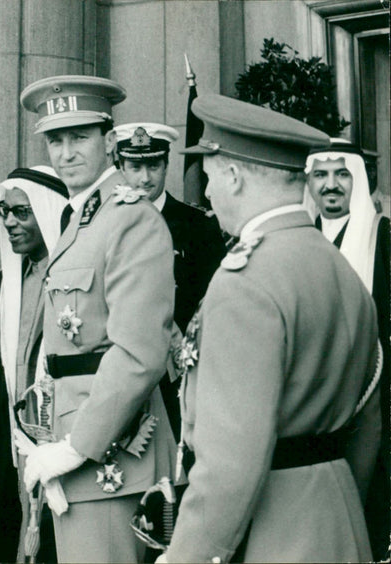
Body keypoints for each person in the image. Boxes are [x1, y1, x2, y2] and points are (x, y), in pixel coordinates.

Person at [158, 94, 380, 563]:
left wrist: (187, 557)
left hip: (269, 533)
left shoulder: (246, 280)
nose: (208, 194)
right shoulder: (338, 266)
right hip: (338, 519)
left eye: (212, 177)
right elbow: (368, 423)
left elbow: (228, 467)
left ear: (234, 176)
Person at [17, 75, 179, 563]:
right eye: (55, 139)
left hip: (111, 452)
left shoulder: (130, 217)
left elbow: (139, 353)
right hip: (75, 442)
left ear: (109, 142)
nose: (66, 152)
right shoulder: (81, 219)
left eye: (79, 137)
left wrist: (74, 447)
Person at [0, 166, 68, 563]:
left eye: (22, 212)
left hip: (62, 439)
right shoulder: (7, 282)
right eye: (4, 211)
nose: (9, 222)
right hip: (11, 439)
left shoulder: (73, 277)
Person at [305, 140, 390, 561]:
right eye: (321, 175)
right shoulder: (299, 239)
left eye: (342, 174)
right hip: (314, 408)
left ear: (356, 181)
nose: (331, 185)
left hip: (377, 404)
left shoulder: (384, 238)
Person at [114, 122, 226, 441]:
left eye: (154, 165)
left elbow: (212, 306)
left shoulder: (198, 227)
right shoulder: (105, 224)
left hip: (179, 376)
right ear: (120, 167)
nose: (145, 178)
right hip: (121, 371)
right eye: (135, 166)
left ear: (166, 164)